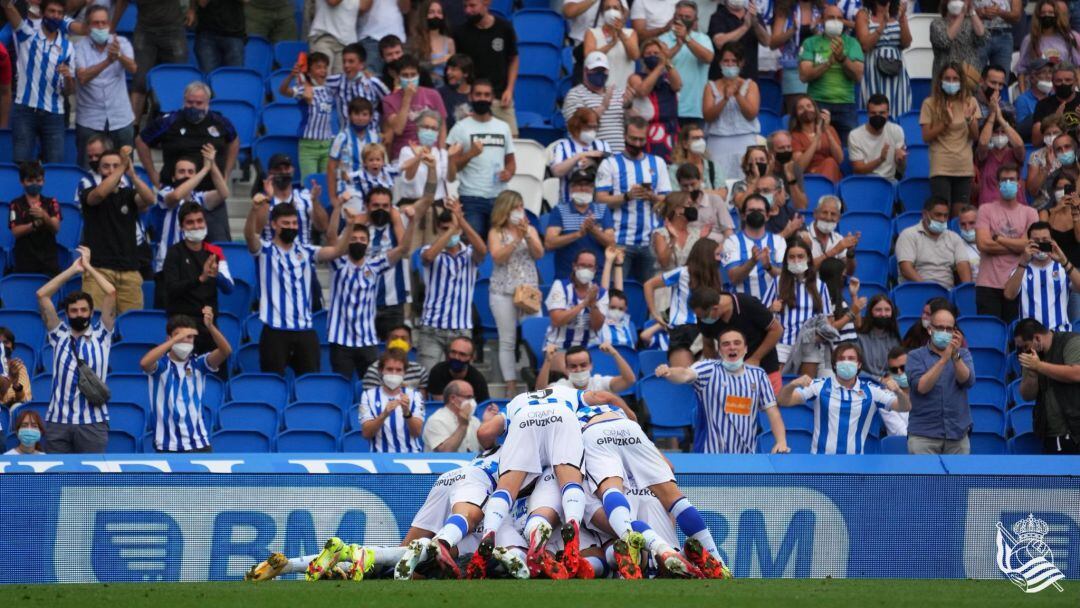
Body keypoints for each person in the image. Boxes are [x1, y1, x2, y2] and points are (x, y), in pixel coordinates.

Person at [326, 182, 429, 380]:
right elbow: (331, 239)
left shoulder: (374, 265)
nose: (358, 242)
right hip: (341, 339)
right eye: (354, 239)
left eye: (362, 240)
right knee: (342, 385)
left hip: (372, 333)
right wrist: (340, 211)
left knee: (378, 381)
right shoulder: (338, 262)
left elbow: (402, 249)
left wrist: (412, 222)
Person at [244, 194, 356, 376]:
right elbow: (249, 236)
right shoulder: (265, 250)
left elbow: (338, 251)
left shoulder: (306, 250)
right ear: (274, 225)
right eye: (285, 224)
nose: (291, 227)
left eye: (294, 223)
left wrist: (350, 226)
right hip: (275, 330)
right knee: (273, 384)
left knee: (310, 385)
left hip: (305, 330)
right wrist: (254, 211)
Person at [655, 327, 790, 454]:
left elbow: (773, 412)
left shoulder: (759, 375)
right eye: (726, 344)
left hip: (747, 456)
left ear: (745, 349)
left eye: (737, 343)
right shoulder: (708, 369)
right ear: (719, 350)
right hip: (711, 456)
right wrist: (669, 372)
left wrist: (781, 441)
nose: (732, 347)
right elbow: (685, 374)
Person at [136, 81, 240, 243]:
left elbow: (234, 141)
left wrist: (226, 171)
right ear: (184, 101)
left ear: (208, 103)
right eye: (190, 102)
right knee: (174, 246)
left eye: (199, 103)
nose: (194, 107)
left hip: (211, 196)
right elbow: (141, 141)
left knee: (218, 247)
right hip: (177, 197)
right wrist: (152, 174)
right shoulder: (169, 121)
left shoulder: (220, 122)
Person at [35, 247, 115, 454]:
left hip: (93, 421)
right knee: (57, 479)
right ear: (67, 314)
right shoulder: (58, 333)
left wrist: (88, 267)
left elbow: (111, 292)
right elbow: (42, 295)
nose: (79, 314)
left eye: (83, 310)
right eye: (74, 311)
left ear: (90, 311)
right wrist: (73, 270)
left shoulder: (102, 334)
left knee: (90, 482)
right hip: (58, 421)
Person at [779, 343, 910, 454]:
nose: (846, 362)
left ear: (859, 365)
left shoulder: (872, 391)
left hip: (855, 464)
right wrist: (792, 385)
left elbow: (904, 407)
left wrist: (898, 391)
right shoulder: (819, 386)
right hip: (820, 461)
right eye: (842, 359)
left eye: (851, 358)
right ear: (835, 365)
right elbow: (784, 401)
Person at [139, 309, 231, 453]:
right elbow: (144, 363)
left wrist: (211, 327)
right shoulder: (162, 365)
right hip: (167, 445)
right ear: (168, 338)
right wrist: (175, 340)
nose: (185, 340)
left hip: (200, 444)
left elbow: (225, 351)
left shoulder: (199, 364)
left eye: (189, 337)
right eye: (179, 336)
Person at [595, 116, 671, 284]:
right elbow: (600, 200)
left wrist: (651, 196)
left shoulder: (658, 163)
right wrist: (627, 196)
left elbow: (668, 201)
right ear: (624, 136)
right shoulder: (610, 164)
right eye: (633, 139)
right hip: (621, 242)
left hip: (650, 242)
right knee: (616, 293)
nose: (637, 143)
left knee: (652, 296)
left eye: (641, 139)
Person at [417, 199, 488, 372]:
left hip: (461, 329)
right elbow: (428, 257)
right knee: (427, 378)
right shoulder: (429, 249)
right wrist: (451, 231)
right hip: (431, 328)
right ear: (439, 229)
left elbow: (483, 250)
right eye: (444, 228)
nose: (450, 231)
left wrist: (461, 221)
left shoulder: (469, 254)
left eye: (453, 228)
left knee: (461, 378)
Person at [81, 147, 154, 313]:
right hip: (98, 271)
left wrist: (133, 175)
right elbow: (99, 195)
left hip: (129, 272)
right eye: (106, 166)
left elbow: (149, 199)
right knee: (96, 323)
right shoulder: (88, 192)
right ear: (99, 169)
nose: (111, 170)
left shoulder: (128, 194)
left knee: (132, 327)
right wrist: (122, 166)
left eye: (116, 165)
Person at [762, 237, 848, 376]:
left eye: (800, 256)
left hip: (810, 344)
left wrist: (821, 333)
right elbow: (761, 314)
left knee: (806, 387)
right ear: (786, 260)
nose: (796, 260)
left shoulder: (820, 285)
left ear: (808, 258)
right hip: (783, 343)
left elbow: (829, 318)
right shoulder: (778, 282)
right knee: (777, 387)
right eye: (792, 257)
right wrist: (771, 308)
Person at [3, 0, 75, 163]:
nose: (55, 16)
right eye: (52, 11)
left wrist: (69, 77)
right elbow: (8, 7)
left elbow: (69, 91)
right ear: (42, 13)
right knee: (21, 163)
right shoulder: (27, 35)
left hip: (55, 114)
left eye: (59, 13)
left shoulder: (68, 47)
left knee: (55, 165)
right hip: (25, 110)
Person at [487, 191, 543, 395]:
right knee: (508, 339)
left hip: (528, 291)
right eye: (515, 207)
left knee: (535, 333)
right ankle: (510, 385)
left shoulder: (531, 229)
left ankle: (535, 378)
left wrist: (526, 234)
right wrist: (515, 239)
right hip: (503, 291)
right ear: (505, 209)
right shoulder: (496, 232)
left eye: (521, 206)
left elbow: (539, 254)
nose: (520, 210)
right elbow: (497, 257)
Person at [161, 203, 235, 354]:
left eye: (200, 221)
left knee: (216, 373)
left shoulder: (215, 252)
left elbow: (229, 288)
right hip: (182, 327)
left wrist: (217, 276)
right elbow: (171, 289)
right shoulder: (174, 253)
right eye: (190, 222)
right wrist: (200, 278)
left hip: (209, 324)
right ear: (182, 226)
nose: (196, 226)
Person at [446, 79, 516, 237]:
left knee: (498, 246)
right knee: (473, 246)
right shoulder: (460, 128)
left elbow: (511, 162)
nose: (482, 98)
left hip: (499, 197)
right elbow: (452, 168)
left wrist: (509, 173)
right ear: (470, 97)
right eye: (478, 94)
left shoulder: (503, 127)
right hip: (471, 198)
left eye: (486, 95)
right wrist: (470, 154)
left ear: (492, 99)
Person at [73, 5, 137, 168]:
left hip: (120, 118)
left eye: (104, 23)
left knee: (125, 168)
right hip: (90, 120)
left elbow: (133, 69)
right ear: (87, 26)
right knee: (88, 170)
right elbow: (83, 77)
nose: (101, 27)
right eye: (96, 23)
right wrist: (108, 60)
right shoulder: (79, 48)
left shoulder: (121, 42)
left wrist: (119, 56)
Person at [906, 306, 975, 455]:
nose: (944, 332)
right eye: (940, 328)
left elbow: (967, 381)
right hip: (923, 436)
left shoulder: (963, 354)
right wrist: (944, 359)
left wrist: (955, 356)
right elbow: (922, 387)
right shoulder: (914, 356)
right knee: (924, 479)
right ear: (930, 329)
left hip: (957, 434)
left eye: (949, 329)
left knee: (958, 479)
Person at [152, 146, 230, 277]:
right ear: (173, 177)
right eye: (181, 172)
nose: (186, 175)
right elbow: (176, 196)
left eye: (190, 172)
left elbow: (224, 193)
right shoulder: (164, 192)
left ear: (195, 176)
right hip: (167, 264)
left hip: (194, 265)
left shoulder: (198, 197)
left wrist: (212, 164)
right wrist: (204, 170)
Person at [689, 286, 783, 392]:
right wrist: (712, 371)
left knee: (771, 405)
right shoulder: (704, 317)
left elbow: (777, 330)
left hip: (765, 370)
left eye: (703, 316)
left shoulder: (748, 304)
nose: (702, 319)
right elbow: (708, 344)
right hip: (731, 378)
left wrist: (755, 358)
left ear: (715, 309)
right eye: (699, 316)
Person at [975, 164, 1039, 321]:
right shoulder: (985, 210)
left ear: (1019, 183)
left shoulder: (1030, 212)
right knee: (989, 334)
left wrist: (999, 239)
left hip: (1019, 283)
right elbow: (983, 245)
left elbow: (1030, 246)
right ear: (997, 184)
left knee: (1016, 336)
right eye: (1004, 180)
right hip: (988, 284)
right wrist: (1018, 246)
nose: (1008, 183)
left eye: (1012, 179)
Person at [798, 3, 865, 144]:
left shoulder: (852, 43)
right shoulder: (810, 43)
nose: (836, 21)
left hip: (846, 105)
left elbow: (858, 75)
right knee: (817, 147)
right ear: (822, 20)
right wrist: (828, 63)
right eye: (831, 17)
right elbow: (804, 76)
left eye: (839, 18)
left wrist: (842, 59)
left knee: (848, 150)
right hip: (817, 104)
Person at [1013, 318, 1080, 454]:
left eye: (1025, 346)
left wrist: (1040, 366)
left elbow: (1076, 373)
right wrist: (1032, 374)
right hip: (1050, 434)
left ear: (1037, 338)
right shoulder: (1031, 356)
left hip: (1076, 431)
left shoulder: (1071, 341)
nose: (1023, 351)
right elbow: (1027, 395)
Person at [112, 0, 185, 123]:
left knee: (176, 80)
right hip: (145, 30)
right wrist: (111, 27)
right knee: (139, 81)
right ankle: (133, 127)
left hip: (173, 29)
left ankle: (176, 126)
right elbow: (122, 2)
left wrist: (192, 9)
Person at [453, 0, 519, 134]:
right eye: (465, 6)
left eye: (472, 6)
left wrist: (509, 90)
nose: (467, 11)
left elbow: (514, 59)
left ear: (486, 3)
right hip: (472, 99)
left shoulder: (504, 28)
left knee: (513, 140)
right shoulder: (460, 32)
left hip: (500, 98)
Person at [920, 63, 980, 208]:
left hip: (964, 167)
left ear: (961, 81)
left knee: (959, 217)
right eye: (947, 79)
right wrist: (945, 122)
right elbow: (926, 136)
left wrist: (969, 119)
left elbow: (975, 136)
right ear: (940, 80)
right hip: (941, 167)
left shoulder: (970, 102)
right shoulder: (929, 103)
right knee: (941, 212)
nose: (951, 82)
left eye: (955, 79)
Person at [1004, 222, 1080, 332]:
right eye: (1036, 242)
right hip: (1030, 337)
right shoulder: (1021, 270)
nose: (1040, 245)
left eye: (1045, 241)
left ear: (1053, 242)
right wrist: (1023, 262)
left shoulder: (1063, 269)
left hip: (1060, 335)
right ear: (1028, 243)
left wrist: (1064, 261)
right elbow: (1008, 295)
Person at [645, 237, 724, 341]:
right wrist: (655, 315)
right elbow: (649, 285)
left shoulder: (715, 276)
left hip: (704, 328)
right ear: (706, 255)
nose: (720, 259)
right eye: (717, 255)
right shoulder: (682, 272)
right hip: (681, 328)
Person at [544, 167, 616, 282]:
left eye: (587, 185)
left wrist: (593, 230)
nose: (583, 188)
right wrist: (578, 234)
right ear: (571, 188)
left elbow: (611, 243)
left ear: (593, 188)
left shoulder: (603, 210)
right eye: (578, 184)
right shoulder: (559, 210)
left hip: (597, 278)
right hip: (566, 277)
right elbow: (549, 243)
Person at [702, 43, 760, 180]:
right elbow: (708, 116)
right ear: (720, 63)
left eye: (734, 61)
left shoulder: (750, 85)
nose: (730, 64)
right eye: (726, 61)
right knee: (718, 180)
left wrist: (738, 95)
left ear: (741, 63)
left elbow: (751, 114)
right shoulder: (710, 87)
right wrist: (725, 99)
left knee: (746, 181)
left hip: (744, 141)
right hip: (718, 142)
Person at [544, 250, 609, 372]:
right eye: (582, 265)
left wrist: (593, 304)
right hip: (559, 348)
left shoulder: (601, 292)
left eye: (590, 266)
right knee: (573, 371)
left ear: (595, 270)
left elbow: (597, 326)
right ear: (574, 266)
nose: (586, 269)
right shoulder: (561, 286)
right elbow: (557, 320)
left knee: (600, 371)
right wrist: (584, 304)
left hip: (589, 349)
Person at [279, 51, 336, 181]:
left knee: (326, 184)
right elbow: (283, 91)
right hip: (308, 146)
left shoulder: (330, 90)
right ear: (309, 72)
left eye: (325, 67)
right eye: (318, 67)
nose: (323, 71)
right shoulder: (304, 90)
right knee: (310, 184)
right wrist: (290, 76)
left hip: (327, 145)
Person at [896, 196, 973, 289]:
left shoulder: (954, 237)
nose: (942, 219)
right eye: (938, 215)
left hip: (946, 292)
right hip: (917, 290)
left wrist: (967, 290)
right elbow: (906, 269)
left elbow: (963, 265)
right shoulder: (908, 235)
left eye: (945, 216)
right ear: (925, 214)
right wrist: (929, 289)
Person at [382, 54, 448, 161]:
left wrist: (442, 155)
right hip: (403, 156)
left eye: (413, 75)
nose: (409, 79)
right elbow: (398, 129)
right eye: (405, 75)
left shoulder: (433, 95)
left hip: (431, 154)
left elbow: (442, 128)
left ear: (419, 75)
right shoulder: (388, 100)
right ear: (398, 77)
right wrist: (407, 99)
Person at [359, 349, 425, 453]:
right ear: (381, 371)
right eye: (389, 369)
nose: (394, 374)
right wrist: (384, 415)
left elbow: (417, 432)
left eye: (398, 370)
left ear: (404, 372)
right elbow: (366, 433)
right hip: (380, 459)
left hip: (411, 457)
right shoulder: (368, 396)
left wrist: (407, 413)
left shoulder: (415, 395)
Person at [658, 1, 713, 124]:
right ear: (674, 17)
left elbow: (708, 58)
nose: (683, 20)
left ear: (695, 20)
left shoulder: (703, 39)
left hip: (695, 109)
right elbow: (658, 64)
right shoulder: (662, 39)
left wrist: (686, 38)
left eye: (687, 17)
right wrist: (677, 45)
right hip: (668, 107)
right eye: (679, 16)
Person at [563, 51, 629, 154]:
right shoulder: (575, 94)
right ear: (585, 71)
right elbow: (576, 127)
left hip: (619, 156)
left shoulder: (617, 92)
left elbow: (632, 123)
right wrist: (603, 106)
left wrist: (630, 106)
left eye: (603, 70)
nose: (600, 73)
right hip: (592, 156)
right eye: (595, 70)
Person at [723, 193, 784, 301]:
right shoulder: (732, 241)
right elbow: (733, 278)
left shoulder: (778, 241)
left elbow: (784, 276)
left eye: (760, 211)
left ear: (767, 216)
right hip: (742, 305)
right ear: (743, 215)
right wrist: (752, 261)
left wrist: (768, 267)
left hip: (772, 304)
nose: (756, 213)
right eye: (751, 210)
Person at [855, 0, 911, 117]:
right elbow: (865, 45)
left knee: (898, 109)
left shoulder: (897, 14)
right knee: (875, 112)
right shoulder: (864, 14)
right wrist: (883, 25)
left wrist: (902, 19)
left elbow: (906, 43)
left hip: (897, 73)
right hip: (873, 72)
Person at [627, 38, 681, 159]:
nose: (652, 56)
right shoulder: (635, 77)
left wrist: (667, 62)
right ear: (642, 57)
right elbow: (642, 91)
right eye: (648, 53)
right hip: (647, 132)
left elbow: (677, 86)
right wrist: (659, 67)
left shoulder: (668, 76)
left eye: (656, 53)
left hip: (670, 132)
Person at [327, 97, 382, 211]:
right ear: (350, 116)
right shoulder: (342, 137)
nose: (360, 118)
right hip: (348, 186)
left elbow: (381, 164)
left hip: (371, 185)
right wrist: (332, 197)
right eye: (356, 114)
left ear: (371, 117)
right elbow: (331, 167)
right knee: (355, 212)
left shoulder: (375, 137)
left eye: (364, 114)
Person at [8, 161, 61, 276]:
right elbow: (15, 232)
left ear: (43, 181)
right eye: (30, 181)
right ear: (22, 182)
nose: (35, 184)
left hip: (49, 261)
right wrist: (34, 224)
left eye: (38, 180)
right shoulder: (15, 204)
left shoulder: (52, 202)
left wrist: (44, 216)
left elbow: (56, 228)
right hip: (25, 261)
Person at [550, 107, 611, 206]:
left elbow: (612, 168)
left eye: (595, 127)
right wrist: (580, 155)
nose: (592, 131)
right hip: (568, 203)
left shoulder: (603, 145)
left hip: (596, 204)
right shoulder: (562, 146)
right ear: (577, 127)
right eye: (588, 127)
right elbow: (557, 172)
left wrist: (593, 163)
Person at [325, 43, 390, 134]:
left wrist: (388, 131)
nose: (346, 65)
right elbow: (314, 82)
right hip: (346, 139)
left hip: (371, 140)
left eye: (351, 61)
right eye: (344, 61)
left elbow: (391, 104)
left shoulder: (373, 83)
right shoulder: (336, 81)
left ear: (361, 64)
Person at [771, 0, 823, 112]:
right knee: (796, 113)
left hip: (818, 68)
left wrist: (816, 32)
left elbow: (828, 42)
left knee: (817, 112)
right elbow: (773, 43)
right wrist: (792, 31)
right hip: (793, 69)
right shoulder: (785, 12)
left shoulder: (822, 11)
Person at [974, 99, 1025, 207]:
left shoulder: (1015, 154)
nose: (1000, 135)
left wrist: (1001, 119)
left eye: (1003, 132)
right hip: (988, 208)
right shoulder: (985, 155)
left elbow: (1019, 145)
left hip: (1015, 207)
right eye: (996, 132)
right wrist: (992, 114)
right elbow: (983, 142)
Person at [848, 94, 906, 181]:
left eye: (882, 113)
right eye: (873, 113)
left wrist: (901, 160)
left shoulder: (896, 130)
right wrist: (880, 160)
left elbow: (902, 169)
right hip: (865, 182)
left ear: (888, 113)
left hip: (889, 181)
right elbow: (858, 170)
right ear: (867, 113)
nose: (877, 116)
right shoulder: (855, 135)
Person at [708, 0, 770, 82]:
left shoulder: (754, 15)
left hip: (749, 78)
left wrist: (755, 24)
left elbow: (766, 42)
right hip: (722, 78)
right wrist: (745, 27)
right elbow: (719, 42)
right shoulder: (718, 17)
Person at [1016, 0, 1080, 78]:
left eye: (1050, 12)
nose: (1047, 15)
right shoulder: (1029, 40)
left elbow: (1077, 67)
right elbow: (1021, 70)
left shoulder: (1068, 38)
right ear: (1038, 16)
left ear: (1056, 15)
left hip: (1063, 84)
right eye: (1043, 13)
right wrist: (1023, 90)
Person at [538, 343, 636, 394]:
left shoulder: (600, 382)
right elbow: (540, 391)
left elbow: (629, 380)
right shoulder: (562, 386)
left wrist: (615, 354)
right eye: (573, 366)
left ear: (591, 365)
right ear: (566, 368)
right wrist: (548, 360)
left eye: (583, 365)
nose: (579, 369)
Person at [582, 0, 637, 89]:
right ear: (602, 13)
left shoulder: (630, 33)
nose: (611, 12)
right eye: (607, 8)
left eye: (616, 8)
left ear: (622, 12)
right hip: (598, 92)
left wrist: (621, 33)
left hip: (623, 92)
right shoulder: (592, 33)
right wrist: (611, 44)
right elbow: (589, 56)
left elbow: (634, 55)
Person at [360, 325, 430, 394]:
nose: (399, 342)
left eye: (404, 339)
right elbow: (370, 400)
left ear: (410, 345)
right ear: (387, 343)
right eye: (394, 338)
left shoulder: (419, 370)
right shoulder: (374, 370)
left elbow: (422, 401)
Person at [789, 95, 843, 183]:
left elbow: (840, 159)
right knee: (830, 162)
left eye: (809, 106)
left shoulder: (829, 129)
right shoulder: (794, 136)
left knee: (830, 162)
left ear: (815, 109)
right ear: (796, 114)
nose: (806, 109)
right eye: (801, 108)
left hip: (832, 174)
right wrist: (816, 138)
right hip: (809, 178)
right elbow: (800, 167)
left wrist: (827, 131)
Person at [674, 164, 734, 240]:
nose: (690, 189)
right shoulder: (676, 204)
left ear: (700, 180)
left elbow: (728, 231)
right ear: (679, 185)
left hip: (715, 246)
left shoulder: (715, 200)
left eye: (693, 184)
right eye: (685, 186)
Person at [929, 0, 987, 80]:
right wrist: (961, 15)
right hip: (945, 78)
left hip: (968, 78)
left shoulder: (971, 23)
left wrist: (972, 11)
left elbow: (982, 37)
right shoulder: (937, 24)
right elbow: (944, 41)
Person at [422, 380, 484, 452]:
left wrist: (488, 426)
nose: (472, 402)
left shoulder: (475, 421)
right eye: (468, 397)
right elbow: (445, 453)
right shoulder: (436, 421)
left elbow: (490, 451)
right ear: (452, 398)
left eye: (472, 398)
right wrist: (463, 426)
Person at [806, 195, 858, 274]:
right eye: (824, 212)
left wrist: (850, 254)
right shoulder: (803, 236)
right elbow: (805, 269)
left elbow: (849, 272)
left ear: (839, 218)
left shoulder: (838, 239)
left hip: (832, 286)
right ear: (815, 213)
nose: (828, 218)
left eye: (833, 214)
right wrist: (835, 250)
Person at [856, 293, 902, 381]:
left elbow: (899, 366)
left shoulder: (895, 338)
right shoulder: (859, 337)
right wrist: (878, 379)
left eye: (887, 310)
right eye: (878, 310)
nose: (883, 314)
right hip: (864, 383)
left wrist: (890, 378)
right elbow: (855, 368)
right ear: (870, 312)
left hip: (890, 384)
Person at [408, 0, 455, 85]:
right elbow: (413, 66)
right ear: (424, 15)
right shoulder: (416, 41)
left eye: (439, 12)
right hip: (423, 85)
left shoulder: (449, 42)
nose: (436, 15)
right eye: (431, 12)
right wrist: (437, 61)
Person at [1031, 64, 1080, 145]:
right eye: (1059, 81)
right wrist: (1054, 121)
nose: (1063, 83)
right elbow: (1036, 141)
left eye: (1068, 80)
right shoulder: (1043, 105)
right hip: (1055, 150)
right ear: (1053, 84)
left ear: (1075, 82)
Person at [190, 0, 244, 73]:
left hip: (234, 33)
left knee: (234, 78)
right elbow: (202, 3)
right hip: (207, 32)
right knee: (208, 78)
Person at [669, 123, 724, 194]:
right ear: (685, 144)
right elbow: (676, 195)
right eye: (696, 138)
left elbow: (723, 194)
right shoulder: (675, 169)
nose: (701, 141)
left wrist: (698, 192)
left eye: (702, 138)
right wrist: (711, 192)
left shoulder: (713, 166)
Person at [309, 0, 360, 74]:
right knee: (321, 79)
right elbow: (333, 1)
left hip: (347, 41)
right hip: (324, 37)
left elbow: (364, 7)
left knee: (341, 83)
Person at [356, 0, 406, 76]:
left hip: (397, 33)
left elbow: (405, 9)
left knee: (400, 77)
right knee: (373, 79)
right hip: (372, 36)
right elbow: (363, 8)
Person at [1025, 114, 1062, 208]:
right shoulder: (1036, 156)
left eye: (1056, 133)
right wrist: (1046, 168)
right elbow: (1032, 191)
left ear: (1064, 133)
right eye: (1048, 134)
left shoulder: (1071, 153)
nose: (1052, 136)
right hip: (1043, 205)